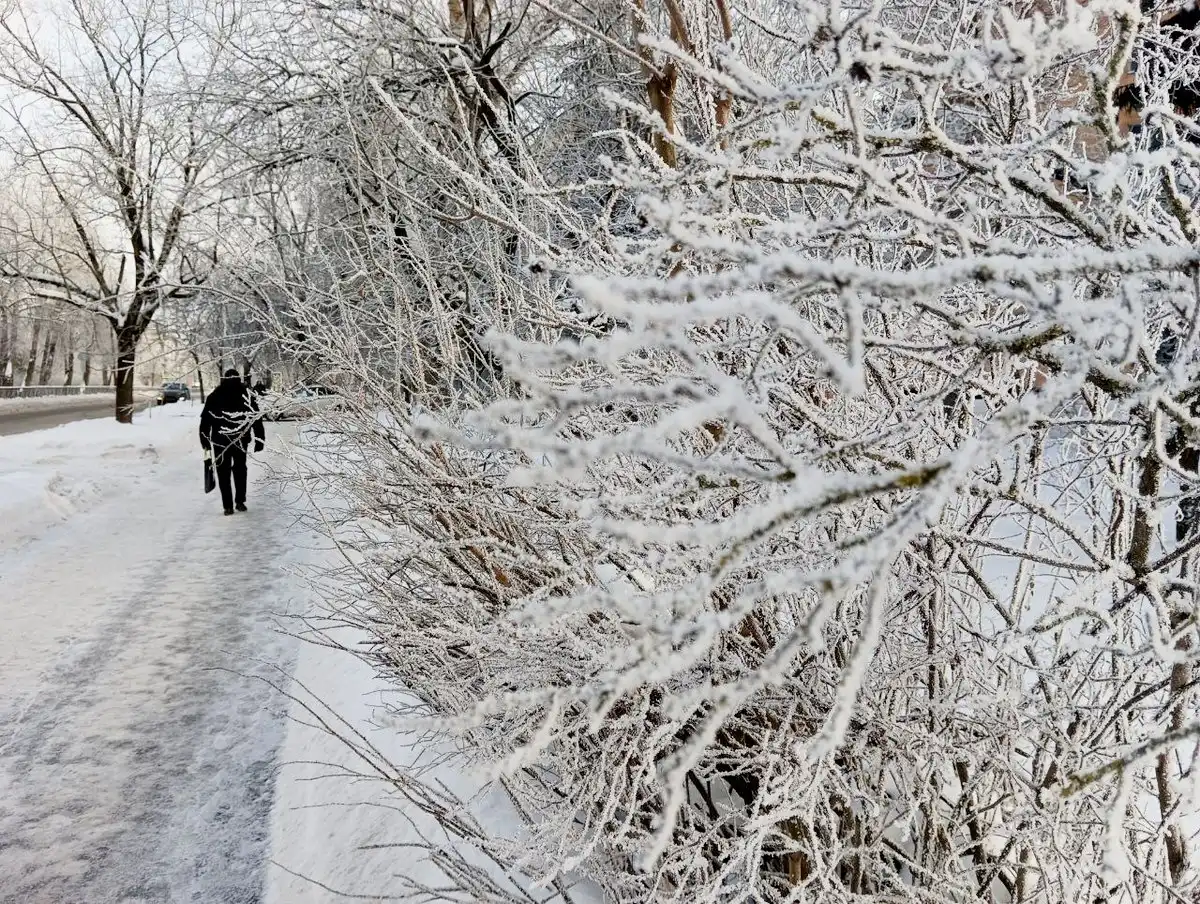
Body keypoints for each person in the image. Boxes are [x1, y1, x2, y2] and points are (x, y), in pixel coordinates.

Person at [200, 369, 266, 516]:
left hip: (220, 442)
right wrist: (259, 439)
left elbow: (205, 422)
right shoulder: (246, 395)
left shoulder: (215, 396)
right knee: (240, 470)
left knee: (223, 473)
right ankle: (240, 501)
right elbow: (256, 418)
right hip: (240, 440)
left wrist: (205, 443)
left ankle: (228, 506)